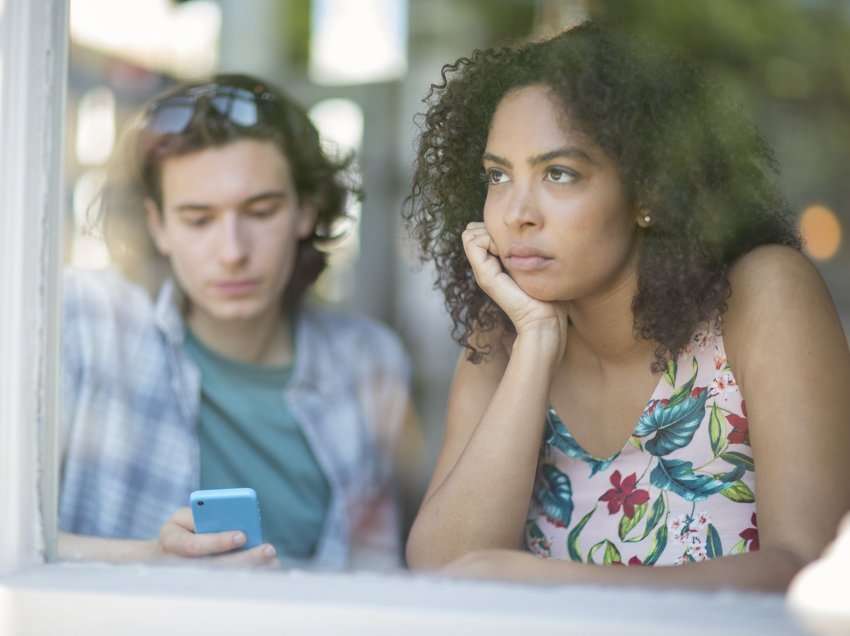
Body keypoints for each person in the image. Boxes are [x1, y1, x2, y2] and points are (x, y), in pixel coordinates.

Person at [403, 22, 850, 591]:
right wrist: (537, 343)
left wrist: (564, 588)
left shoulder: (763, 295)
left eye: (558, 174)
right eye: (498, 175)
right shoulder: (505, 332)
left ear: (650, 192)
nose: (516, 213)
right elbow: (442, 569)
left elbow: (815, 570)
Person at [59, 74, 413, 570]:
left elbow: (376, 572)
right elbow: (14, 539)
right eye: (198, 219)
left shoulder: (369, 360)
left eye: (261, 211)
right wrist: (152, 561)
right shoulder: (86, 324)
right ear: (157, 225)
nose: (232, 252)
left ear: (305, 211)